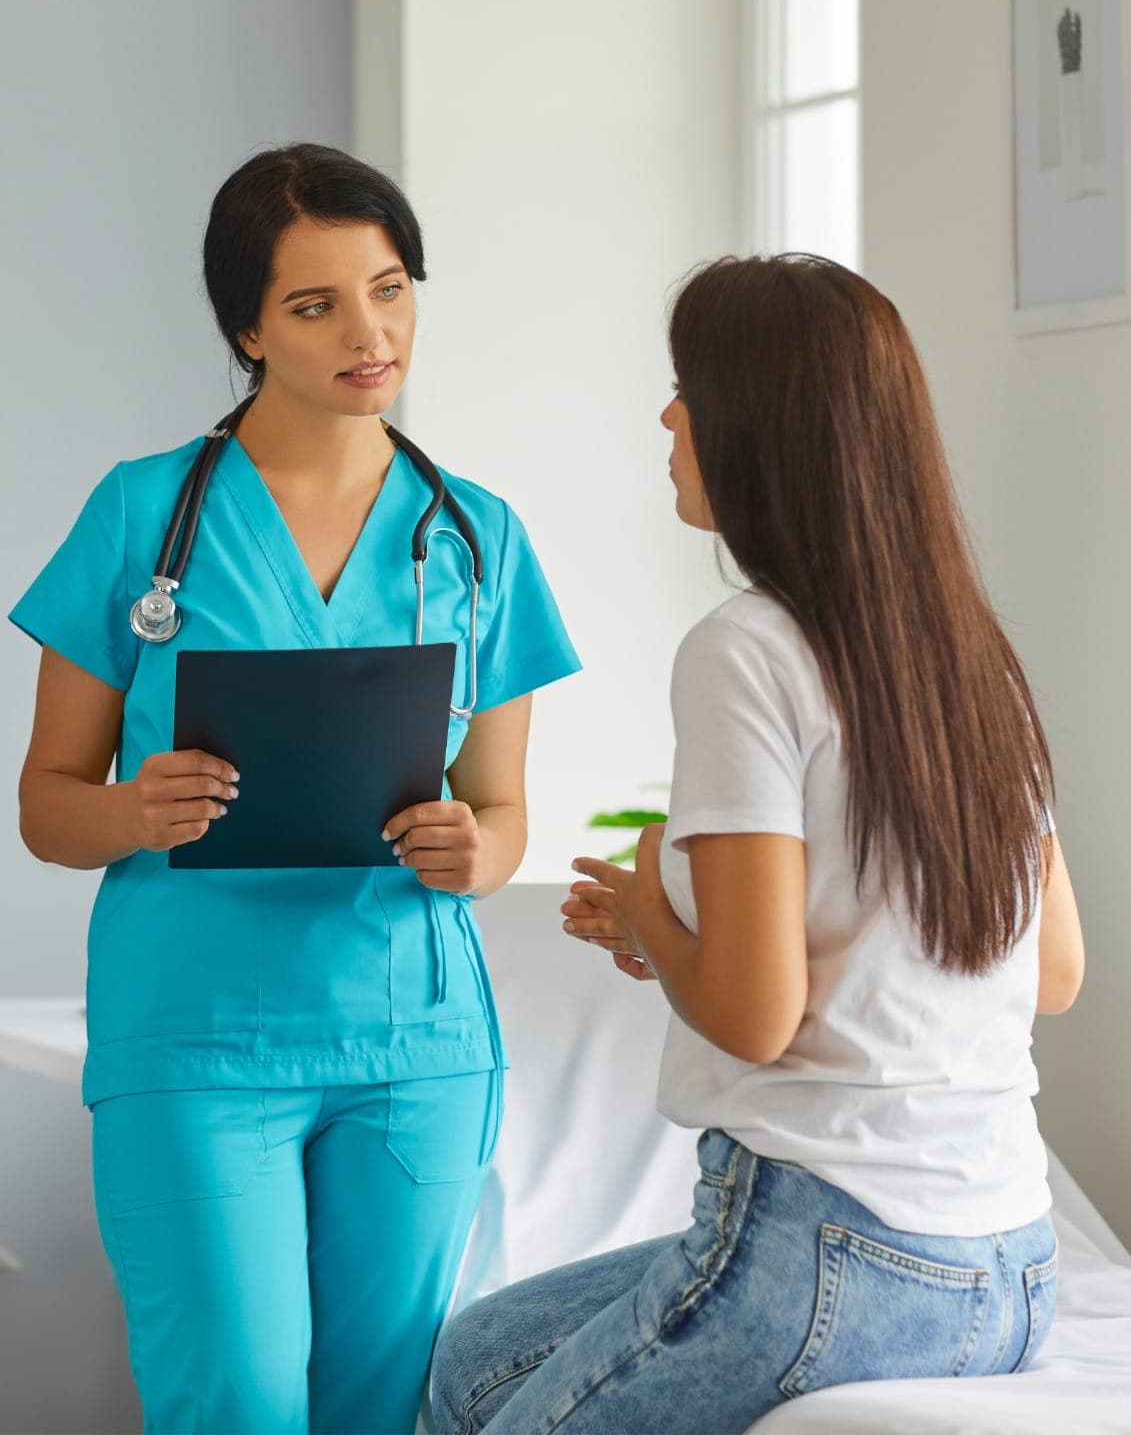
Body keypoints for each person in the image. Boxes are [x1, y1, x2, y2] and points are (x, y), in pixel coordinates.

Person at [429, 254, 1085, 1434]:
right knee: (473, 1359)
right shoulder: (972, 654)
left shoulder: (746, 648)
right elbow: (1050, 970)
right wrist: (686, 934)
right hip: (1011, 1263)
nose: (669, 416)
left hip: (831, 1246)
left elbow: (752, 1016)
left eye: (689, 386)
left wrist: (650, 916)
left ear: (763, 426)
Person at [12, 143, 580, 1435]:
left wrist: (468, 852)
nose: (367, 333)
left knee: (380, 1411)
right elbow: (47, 802)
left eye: (389, 290)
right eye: (316, 305)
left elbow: (504, 814)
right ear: (245, 327)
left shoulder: (476, 533)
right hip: (199, 1042)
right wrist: (133, 809)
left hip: (413, 1045)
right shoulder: (140, 515)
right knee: (238, 1402)